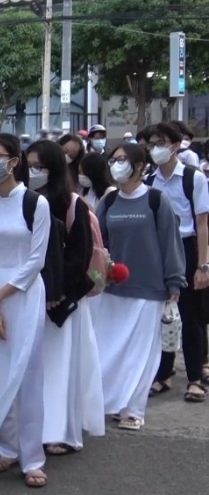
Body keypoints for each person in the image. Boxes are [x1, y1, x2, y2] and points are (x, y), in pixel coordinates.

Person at [0, 133, 50, 489]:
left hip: (25, 293)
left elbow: (36, 260)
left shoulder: (35, 203)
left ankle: (32, 457)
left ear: (14, 161)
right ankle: (5, 448)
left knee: (28, 375)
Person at [93, 143, 186, 430]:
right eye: (113, 160)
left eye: (122, 159)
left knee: (141, 352)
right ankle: (111, 402)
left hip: (149, 289)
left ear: (139, 166)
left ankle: (133, 410)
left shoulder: (156, 200)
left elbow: (170, 243)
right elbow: (98, 243)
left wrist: (174, 282)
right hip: (111, 289)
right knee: (110, 349)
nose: (116, 164)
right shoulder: (109, 202)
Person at [25, 140, 105, 455]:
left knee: (60, 368)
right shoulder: (24, 201)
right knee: (35, 368)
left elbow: (79, 255)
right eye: (29, 165)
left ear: (54, 169)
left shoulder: (72, 204)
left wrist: (57, 292)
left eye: (39, 167)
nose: (33, 172)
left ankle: (59, 431)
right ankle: (31, 428)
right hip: (31, 297)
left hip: (62, 302)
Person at [143, 123, 209, 402]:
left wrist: (203, 265)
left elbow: (203, 223)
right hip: (159, 251)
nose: (155, 149)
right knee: (161, 314)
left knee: (190, 316)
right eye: (151, 144)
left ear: (175, 145)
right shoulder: (149, 181)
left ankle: (195, 378)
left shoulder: (193, 178)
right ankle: (163, 374)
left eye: (160, 143)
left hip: (187, 247)